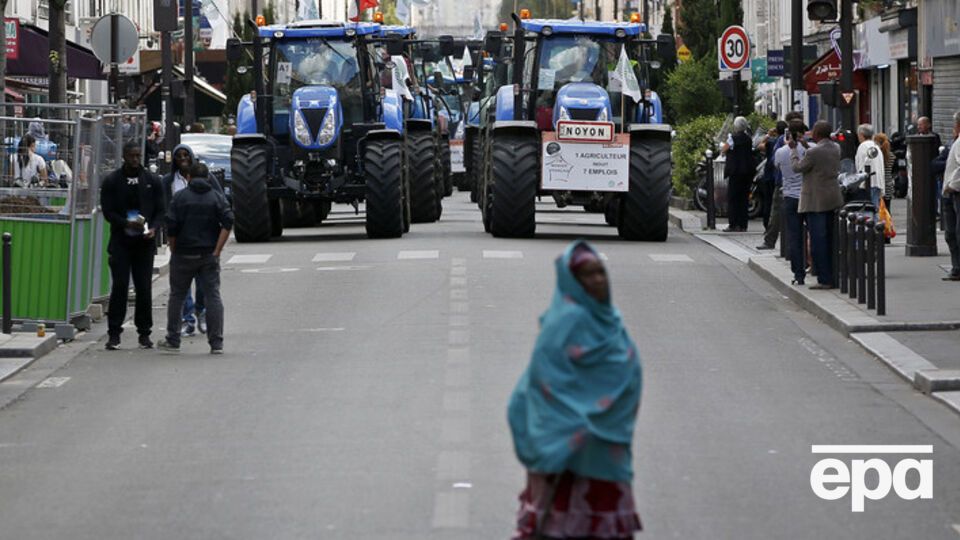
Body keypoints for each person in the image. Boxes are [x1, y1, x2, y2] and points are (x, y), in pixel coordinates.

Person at [508, 241, 643, 540]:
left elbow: (629, 380)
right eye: (587, 274)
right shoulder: (562, 326)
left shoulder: (612, 325)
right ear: (572, 282)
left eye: (600, 272)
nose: (598, 280)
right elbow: (542, 386)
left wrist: (603, 419)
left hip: (606, 453)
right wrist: (574, 429)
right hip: (564, 454)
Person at [160, 163, 234, 354]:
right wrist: (217, 250)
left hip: (183, 253)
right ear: (208, 178)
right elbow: (228, 221)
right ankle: (216, 342)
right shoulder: (216, 197)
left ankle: (173, 339)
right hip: (208, 253)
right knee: (213, 296)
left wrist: (174, 249)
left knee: (177, 296)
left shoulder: (180, 197)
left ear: (189, 178)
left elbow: (171, 226)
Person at [100, 141, 165, 350]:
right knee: (119, 287)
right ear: (124, 156)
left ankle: (144, 333)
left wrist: (154, 228)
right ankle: (114, 333)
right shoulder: (112, 181)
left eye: (138, 155)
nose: (135, 159)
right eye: (131, 156)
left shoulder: (152, 180)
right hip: (121, 241)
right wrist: (124, 223)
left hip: (144, 243)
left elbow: (161, 210)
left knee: (144, 288)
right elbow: (108, 211)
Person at [162, 143, 215, 337]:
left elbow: (220, 201)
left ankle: (201, 311)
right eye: (179, 156)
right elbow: (165, 207)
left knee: (203, 283)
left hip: (203, 238)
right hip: (181, 238)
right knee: (182, 284)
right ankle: (188, 319)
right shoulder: (169, 181)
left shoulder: (206, 179)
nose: (183, 159)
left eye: (186, 155)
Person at [791, 120, 843, 289]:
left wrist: (794, 150)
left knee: (818, 241)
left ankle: (824, 278)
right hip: (832, 197)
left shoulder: (813, 153)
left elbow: (797, 168)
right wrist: (806, 145)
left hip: (816, 200)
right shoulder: (836, 148)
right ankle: (832, 275)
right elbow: (819, 156)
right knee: (830, 239)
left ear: (817, 133)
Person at [776, 120, 807, 284]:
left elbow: (777, 166)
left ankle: (798, 274)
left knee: (794, 236)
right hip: (807, 196)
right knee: (814, 233)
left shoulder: (781, 152)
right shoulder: (809, 149)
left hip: (789, 196)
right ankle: (814, 267)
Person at [757, 121, 788, 250]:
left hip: (779, 180)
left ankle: (769, 240)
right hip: (797, 185)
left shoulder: (778, 141)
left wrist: (768, 135)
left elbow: (773, 160)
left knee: (775, 211)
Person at [723, 116, 755, 232]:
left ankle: (733, 224)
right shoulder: (748, 139)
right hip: (747, 171)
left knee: (733, 198)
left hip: (735, 171)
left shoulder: (732, 138)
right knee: (744, 198)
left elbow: (724, 149)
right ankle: (743, 224)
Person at [939, 112, 960, 281]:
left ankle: (957, 268)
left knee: (954, 232)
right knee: (951, 233)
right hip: (952, 192)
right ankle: (956, 268)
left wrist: (952, 186)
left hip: (955, 192)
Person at [855, 124, 886, 210]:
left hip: (868, 183)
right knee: (875, 208)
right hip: (878, 182)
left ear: (861, 135)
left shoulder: (863, 146)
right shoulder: (876, 146)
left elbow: (860, 165)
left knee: (868, 209)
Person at [874, 132, 894, 212]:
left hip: (879, 183)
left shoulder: (876, 155)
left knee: (878, 208)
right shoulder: (892, 156)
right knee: (887, 209)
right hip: (888, 184)